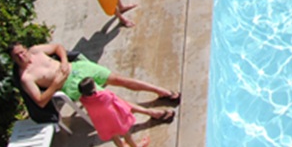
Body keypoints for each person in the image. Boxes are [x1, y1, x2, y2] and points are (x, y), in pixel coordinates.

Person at [10, 40, 179, 109]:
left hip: (77, 67)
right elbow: (40, 101)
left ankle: (160, 91)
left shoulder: (36, 51)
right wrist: (55, 83)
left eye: (21, 51)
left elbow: (57, 47)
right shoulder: (26, 77)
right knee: (109, 97)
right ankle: (150, 112)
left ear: (24, 48)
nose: (22, 56)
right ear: (13, 59)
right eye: (17, 56)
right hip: (69, 85)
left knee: (119, 79)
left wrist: (63, 61)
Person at [78, 76, 171, 147]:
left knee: (114, 137)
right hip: (115, 119)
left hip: (102, 122)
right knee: (126, 134)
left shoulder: (83, 100)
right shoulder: (105, 95)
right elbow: (118, 102)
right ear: (94, 87)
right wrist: (126, 111)